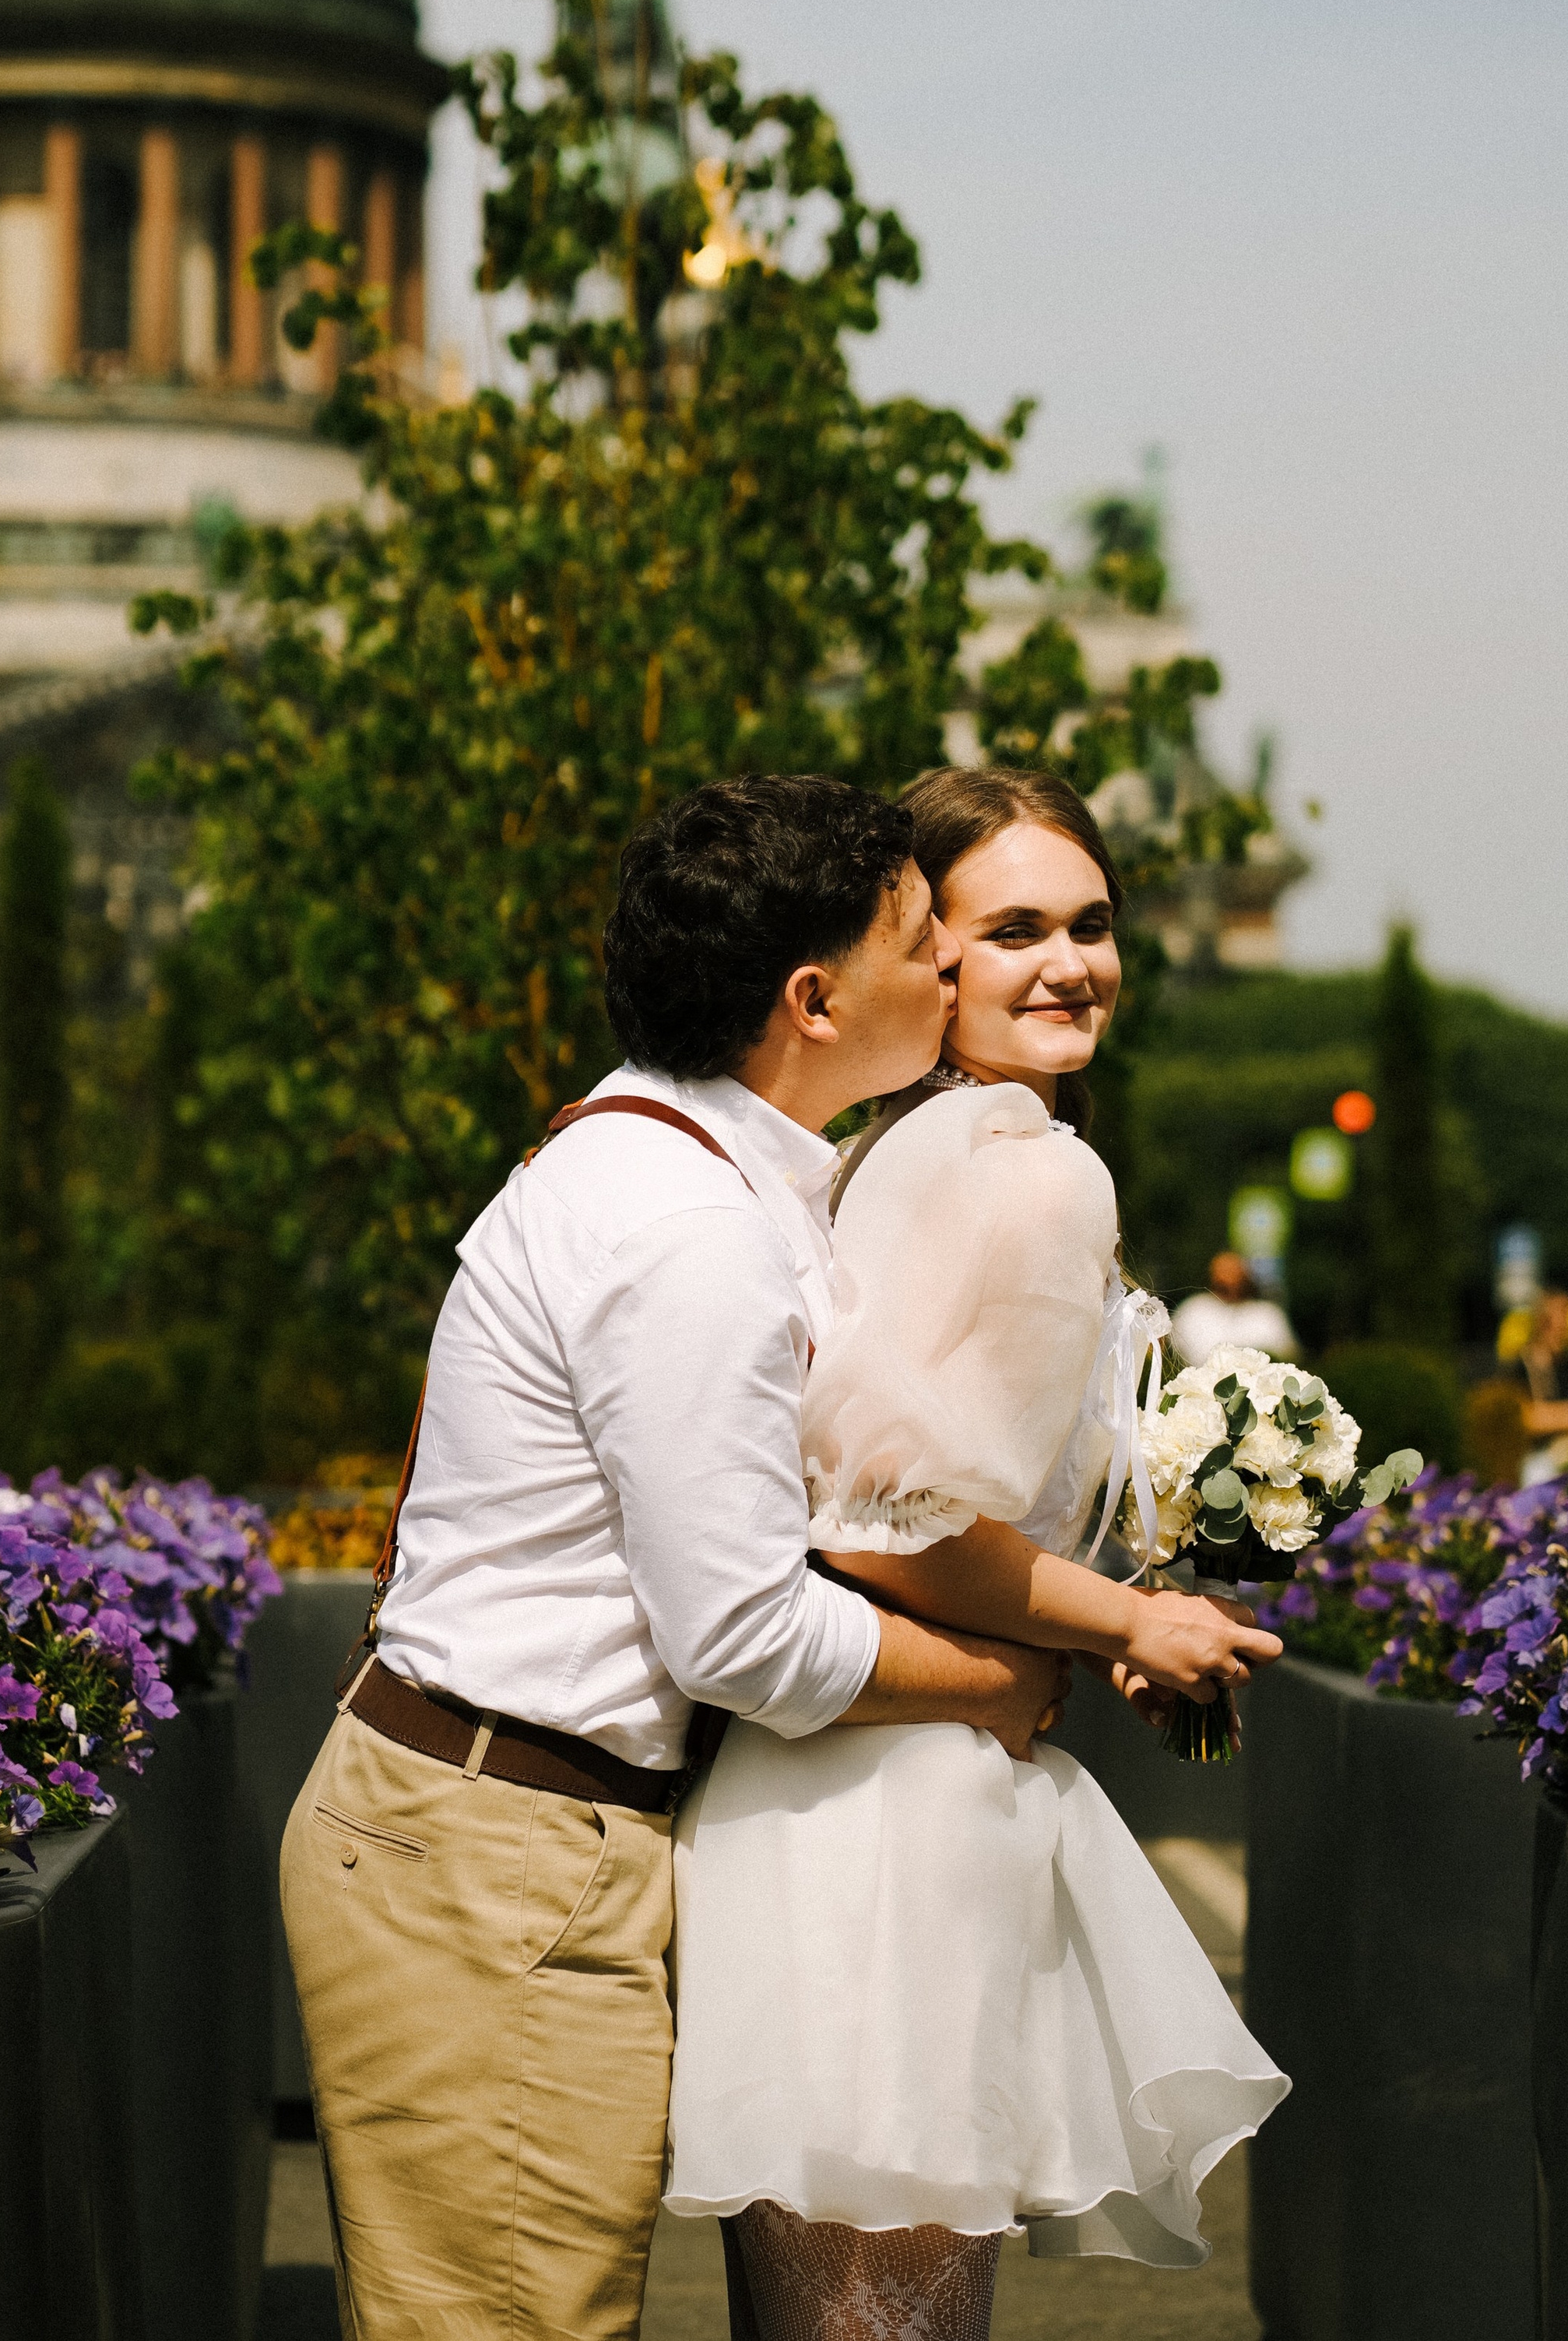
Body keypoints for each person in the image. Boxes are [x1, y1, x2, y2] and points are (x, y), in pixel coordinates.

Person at [280, 775, 1079, 2341]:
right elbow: (741, 1632)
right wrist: (995, 1679)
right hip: (499, 1854)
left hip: (510, 1832)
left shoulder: (692, 1164)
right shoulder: (687, 1227)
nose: (950, 965)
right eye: (920, 937)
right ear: (813, 999)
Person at [666, 766, 1289, 2341]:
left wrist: (1090, 1608)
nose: (1069, 963)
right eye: (1014, 930)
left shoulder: (896, 1144)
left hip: (816, 1799)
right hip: (898, 1821)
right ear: (930, 954)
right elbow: (884, 1527)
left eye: (1091, 924)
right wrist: (1127, 1628)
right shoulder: (1028, 1165)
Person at [1173, 1248, 1298, 1362]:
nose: (1228, 1280)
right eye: (1223, 1273)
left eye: (1233, 1272)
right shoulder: (1191, 1310)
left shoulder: (1267, 1314)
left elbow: (1288, 1356)